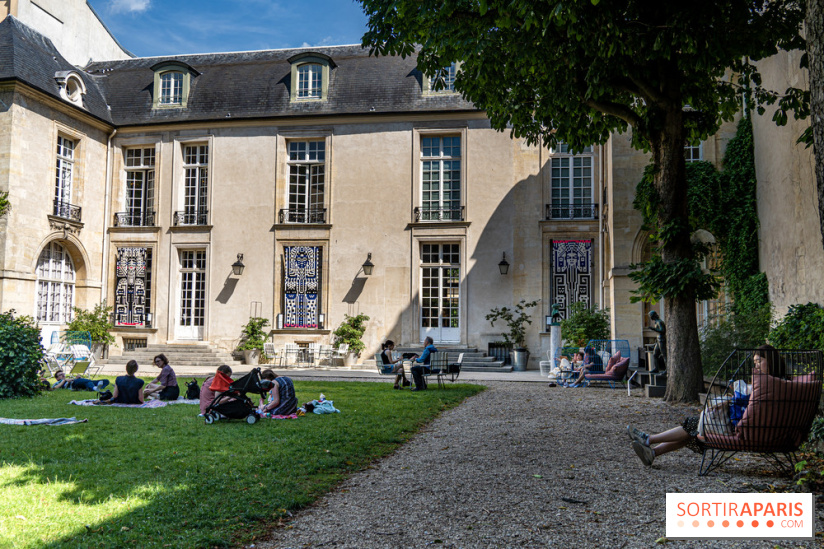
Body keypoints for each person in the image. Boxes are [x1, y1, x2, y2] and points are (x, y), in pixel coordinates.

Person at [627, 345, 785, 466]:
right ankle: (652, 453)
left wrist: (734, 399)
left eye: (759, 361)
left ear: (770, 361)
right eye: (755, 362)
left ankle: (648, 440)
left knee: (693, 424)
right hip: (750, 426)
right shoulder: (776, 382)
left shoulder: (769, 383)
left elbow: (753, 406)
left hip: (745, 429)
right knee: (694, 428)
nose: (756, 366)